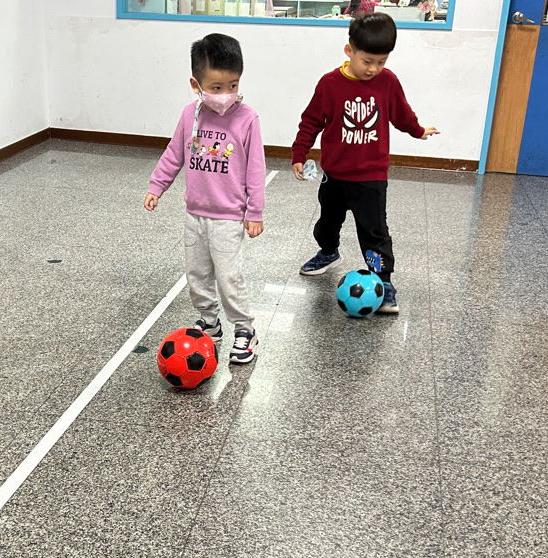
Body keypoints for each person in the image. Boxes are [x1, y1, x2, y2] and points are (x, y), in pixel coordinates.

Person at [290, 12, 438, 314]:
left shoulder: (388, 82)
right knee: (328, 223)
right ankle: (328, 252)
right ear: (349, 51)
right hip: (334, 174)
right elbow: (311, 121)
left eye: (381, 62)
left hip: (371, 176)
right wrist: (299, 153)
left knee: (374, 231)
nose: (373, 69)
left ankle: (384, 281)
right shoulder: (330, 84)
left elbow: (401, 115)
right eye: (367, 61)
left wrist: (419, 130)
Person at [144, 33, 265, 364]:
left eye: (233, 85)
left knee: (228, 278)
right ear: (196, 85)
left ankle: (245, 330)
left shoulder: (247, 119)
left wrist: (254, 212)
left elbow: (255, 170)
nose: (225, 94)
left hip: (229, 216)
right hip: (195, 213)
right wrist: (157, 186)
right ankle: (210, 322)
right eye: (216, 87)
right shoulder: (190, 115)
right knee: (196, 275)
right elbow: (174, 154)